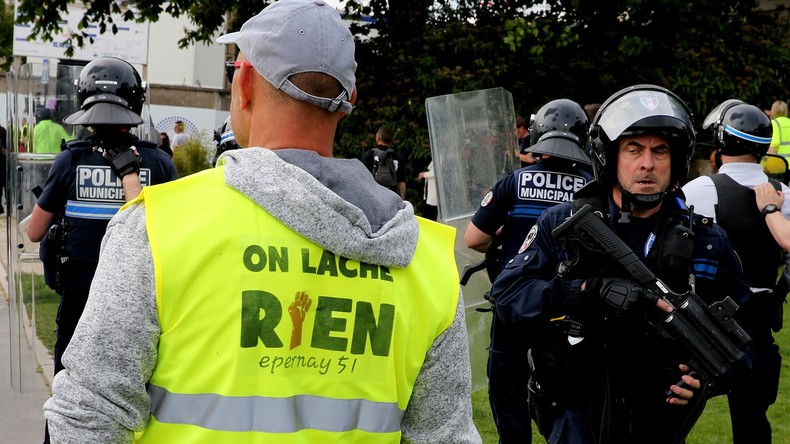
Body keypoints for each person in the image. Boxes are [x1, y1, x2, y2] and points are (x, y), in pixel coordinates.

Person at [44, 1, 481, 442]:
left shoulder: (158, 227)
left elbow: (89, 416)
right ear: (349, 102)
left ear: (245, 83)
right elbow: (446, 434)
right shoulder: (428, 262)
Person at [488, 85, 754, 443]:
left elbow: (746, 347)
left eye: (660, 151)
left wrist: (709, 380)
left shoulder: (707, 243)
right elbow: (506, 303)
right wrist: (584, 290)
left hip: (660, 427)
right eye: (634, 150)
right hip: (575, 418)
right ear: (609, 156)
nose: (647, 164)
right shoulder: (563, 227)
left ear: (676, 161)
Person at [29, 56, 178, 443]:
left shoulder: (70, 160)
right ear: (136, 103)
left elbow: (33, 231)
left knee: (70, 395)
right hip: (141, 307)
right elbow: (171, 236)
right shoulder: (160, 165)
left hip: (79, 299)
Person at [464, 98, 593, 443]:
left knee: (507, 389)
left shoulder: (515, 181)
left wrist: (506, 235)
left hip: (516, 302)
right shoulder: (594, 187)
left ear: (537, 136)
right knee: (569, 396)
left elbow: (474, 239)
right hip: (568, 308)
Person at [682, 100, 783, 443]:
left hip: (706, 321)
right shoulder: (784, 193)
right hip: (761, 320)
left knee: (674, 415)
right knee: (753, 418)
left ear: (722, 142)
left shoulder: (698, 190)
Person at [361, 125, 407, 199]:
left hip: (373, 197)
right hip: (392, 197)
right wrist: (402, 200)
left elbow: (363, 179)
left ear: (378, 138)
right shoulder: (397, 157)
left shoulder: (369, 155)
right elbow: (401, 182)